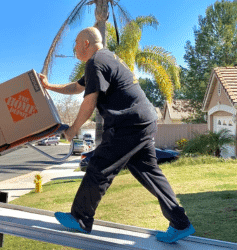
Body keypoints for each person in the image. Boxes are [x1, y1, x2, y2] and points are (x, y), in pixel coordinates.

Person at [39, 27, 195, 243]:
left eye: (75, 42)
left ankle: (81, 218)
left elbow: (89, 101)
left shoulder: (96, 61)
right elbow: (77, 87)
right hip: (144, 119)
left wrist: (73, 129)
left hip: (128, 123)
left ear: (86, 43)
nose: (73, 47)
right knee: (149, 171)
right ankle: (181, 223)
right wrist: (49, 86)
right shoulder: (106, 58)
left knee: (100, 166)